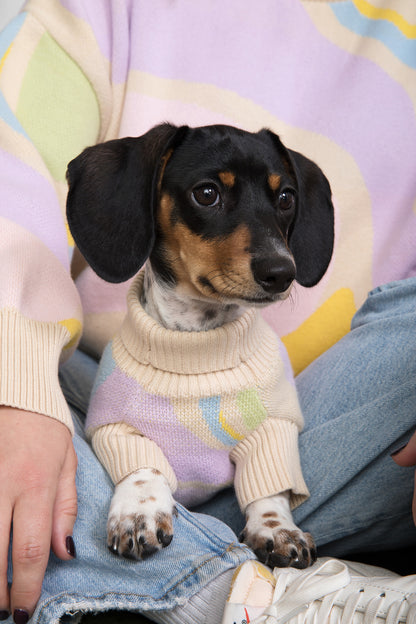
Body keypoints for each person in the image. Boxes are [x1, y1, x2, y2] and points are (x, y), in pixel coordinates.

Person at [0, 1, 415, 623]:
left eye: (279, 206)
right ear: (149, 198)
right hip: (99, 471)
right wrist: (18, 393)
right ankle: (254, 598)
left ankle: (183, 577)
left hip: (313, 459)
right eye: (208, 194)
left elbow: (274, 427)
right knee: (27, 382)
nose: (274, 257)